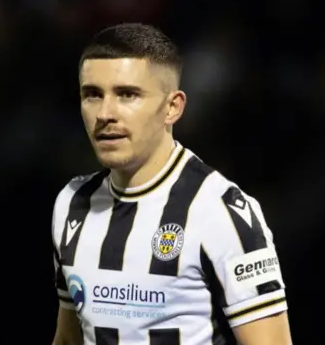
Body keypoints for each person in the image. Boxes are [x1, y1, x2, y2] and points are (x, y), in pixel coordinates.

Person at [51, 23, 292, 345]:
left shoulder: (219, 211)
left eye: (127, 94)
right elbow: (69, 339)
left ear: (172, 107)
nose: (105, 113)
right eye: (92, 94)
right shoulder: (72, 203)